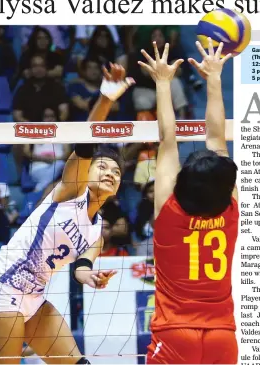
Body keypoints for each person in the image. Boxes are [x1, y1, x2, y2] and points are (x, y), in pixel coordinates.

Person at [0, 64, 134, 365]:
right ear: (87, 172)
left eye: (116, 172)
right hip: (3, 288)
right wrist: (106, 99)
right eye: (103, 167)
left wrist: (91, 277)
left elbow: (81, 267)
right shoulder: (71, 192)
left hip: (35, 298)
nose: (110, 173)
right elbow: (86, 144)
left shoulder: (96, 230)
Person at [138, 40, 238, 364]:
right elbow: (217, 137)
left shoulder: (168, 210)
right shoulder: (231, 208)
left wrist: (163, 82)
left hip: (175, 333)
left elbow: (168, 139)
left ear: (183, 182)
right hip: (223, 336)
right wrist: (214, 77)